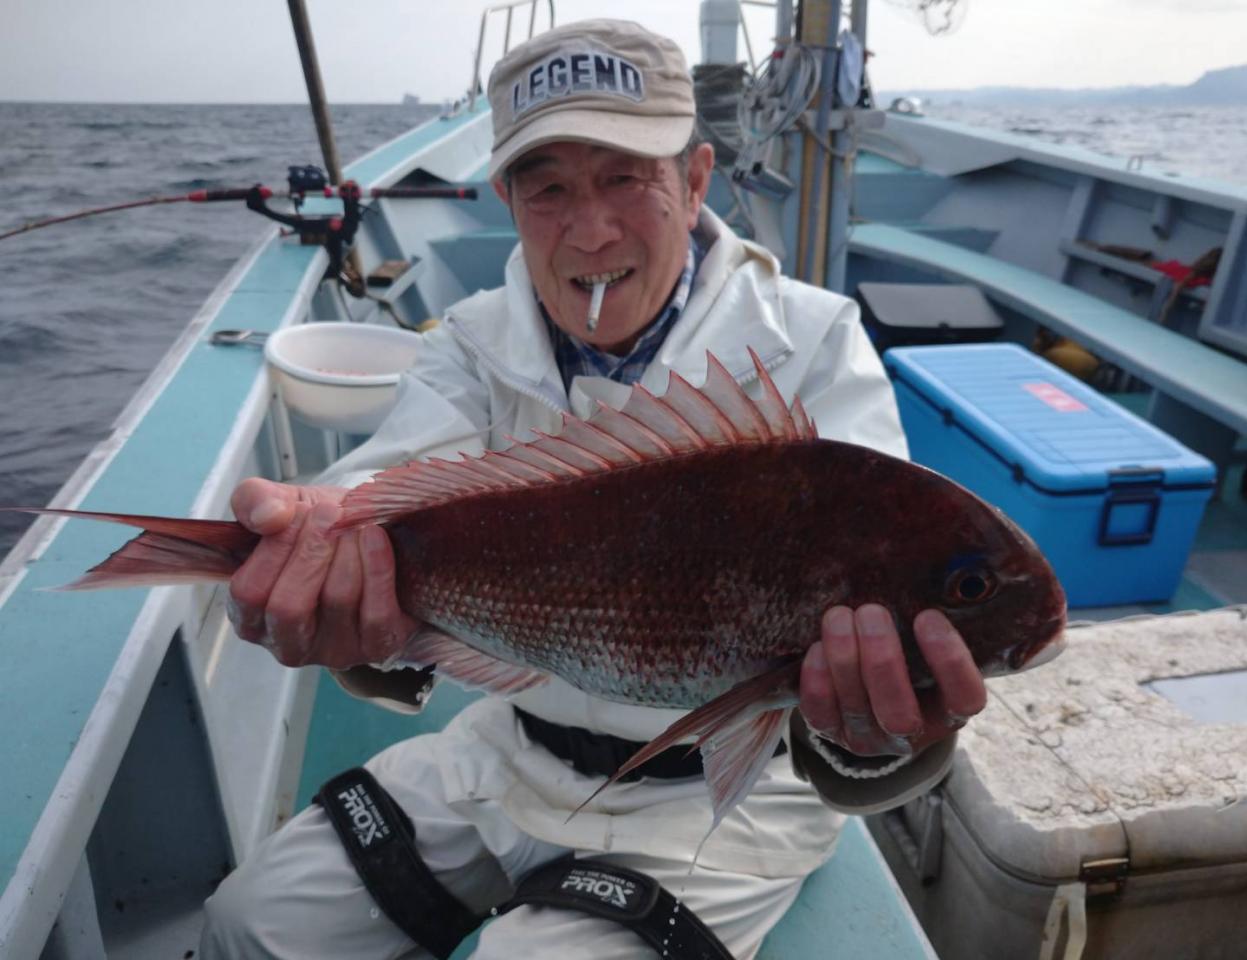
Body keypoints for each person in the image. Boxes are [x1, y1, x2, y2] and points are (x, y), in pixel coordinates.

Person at [201, 19, 988, 960]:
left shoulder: (814, 339)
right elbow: (392, 485)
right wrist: (325, 552)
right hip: (508, 749)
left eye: (626, 178)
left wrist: (878, 732)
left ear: (695, 180)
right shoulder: (469, 340)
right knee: (249, 925)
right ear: (507, 198)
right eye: (549, 189)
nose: (590, 229)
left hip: (722, 801)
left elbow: (866, 606)